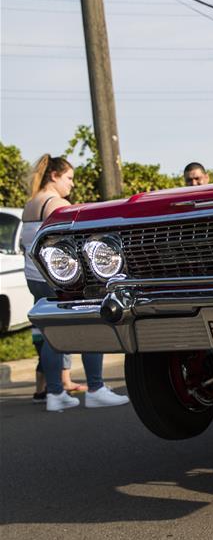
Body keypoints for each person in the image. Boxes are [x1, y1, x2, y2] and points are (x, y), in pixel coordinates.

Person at [22, 155, 130, 412]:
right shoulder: (55, 204)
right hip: (57, 279)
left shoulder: (30, 204)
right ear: (54, 176)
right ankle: (96, 388)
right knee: (92, 325)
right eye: (68, 178)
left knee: (52, 334)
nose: (71, 184)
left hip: (34, 277)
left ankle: (55, 394)